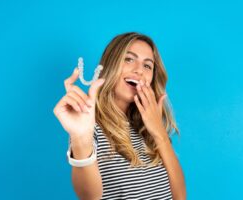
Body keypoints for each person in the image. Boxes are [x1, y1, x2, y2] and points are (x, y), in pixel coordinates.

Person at [53, 32, 186, 200]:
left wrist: (159, 133)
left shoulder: (149, 127)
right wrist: (80, 138)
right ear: (111, 65)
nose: (139, 70)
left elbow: (180, 197)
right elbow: (89, 196)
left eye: (147, 65)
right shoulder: (89, 125)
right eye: (129, 59)